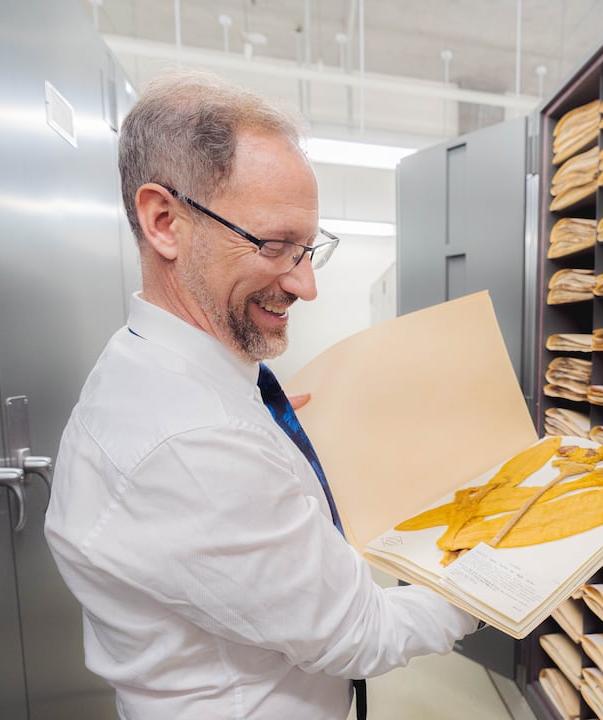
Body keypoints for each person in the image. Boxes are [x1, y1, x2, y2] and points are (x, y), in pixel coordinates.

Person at [44, 70, 479, 719]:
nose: (305, 286)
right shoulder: (196, 443)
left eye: (308, 249)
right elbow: (361, 635)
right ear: (164, 221)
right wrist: (491, 581)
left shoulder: (154, 368)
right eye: (274, 246)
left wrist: (274, 440)